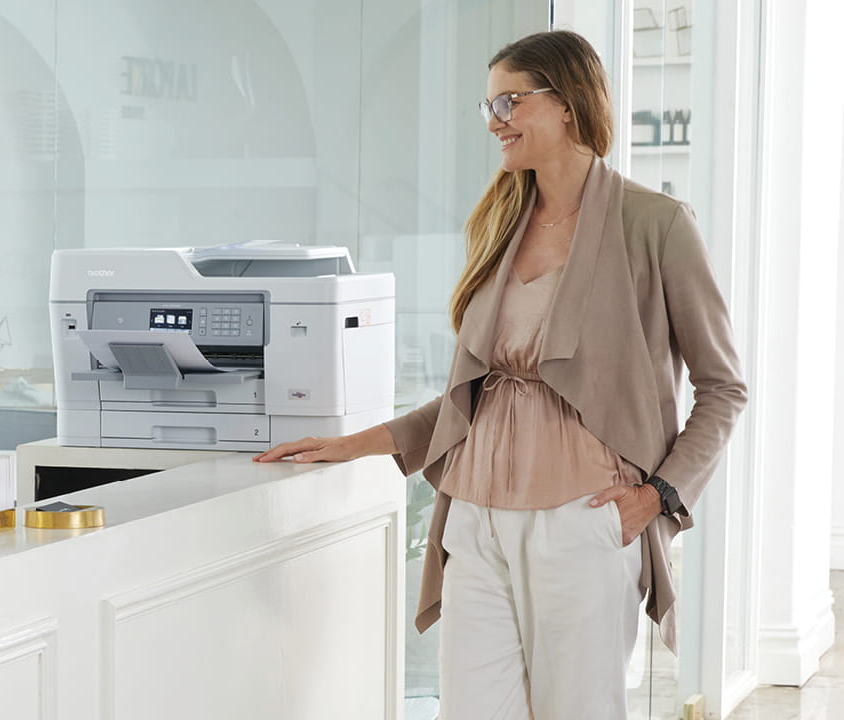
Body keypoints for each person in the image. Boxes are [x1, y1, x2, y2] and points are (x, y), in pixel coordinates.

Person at [254, 30, 745, 717]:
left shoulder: (655, 223)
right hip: (476, 518)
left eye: (510, 102)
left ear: (568, 104)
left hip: (584, 519)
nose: (495, 122)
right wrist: (358, 442)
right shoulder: (499, 221)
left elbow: (724, 387)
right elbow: (475, 397)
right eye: (489, 107)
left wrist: (659, 494)